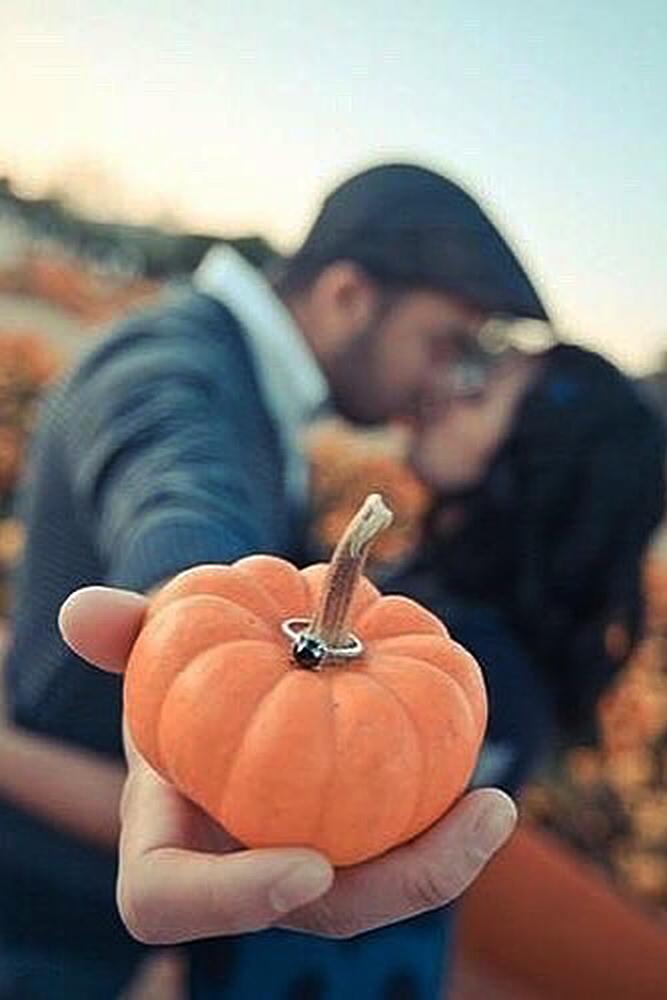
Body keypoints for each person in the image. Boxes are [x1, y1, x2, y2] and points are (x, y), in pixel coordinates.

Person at [0, 162, 547, 999]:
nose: (441, 380)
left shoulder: (240, 372)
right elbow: (180, 490)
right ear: (347, 296)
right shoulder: (177, 372)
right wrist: (192, 628)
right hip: (41, 895)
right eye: (439, 343)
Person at [394, 337, 666, 794]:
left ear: (534, 468)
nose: (444, 396)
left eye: (477, 395)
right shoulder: (465, 616)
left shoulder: (471, 672)